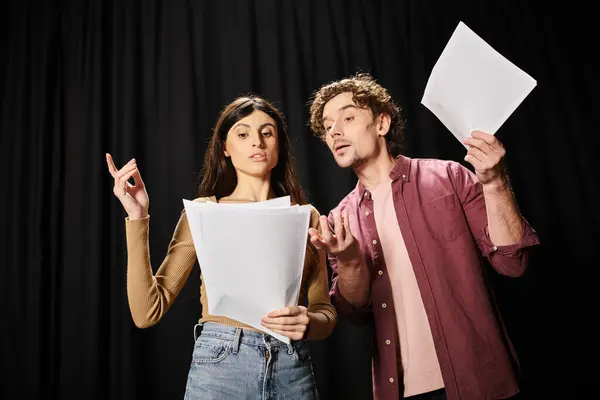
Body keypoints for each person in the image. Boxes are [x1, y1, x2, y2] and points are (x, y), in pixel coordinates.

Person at [306, 73, 540, 400]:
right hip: (401, 391)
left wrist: (495, 182)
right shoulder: (339, 219)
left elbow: (513, 262)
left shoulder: (448, 176)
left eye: (348, 117)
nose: (335, 131)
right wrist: (348, 261)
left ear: (382, 123)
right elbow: (354, 310)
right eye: (328, 126)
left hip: (480, 381)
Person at [106, 95, 337, 399]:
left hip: (291, 369)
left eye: (267, 132)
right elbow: (147, 311)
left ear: (279, 145)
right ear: (226, 148)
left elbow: (325, 312)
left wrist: (308, 323)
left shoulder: (307, 217)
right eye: (243, 134)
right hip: (220, 367)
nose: (257, 141)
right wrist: (138, 218)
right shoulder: (203, 212)